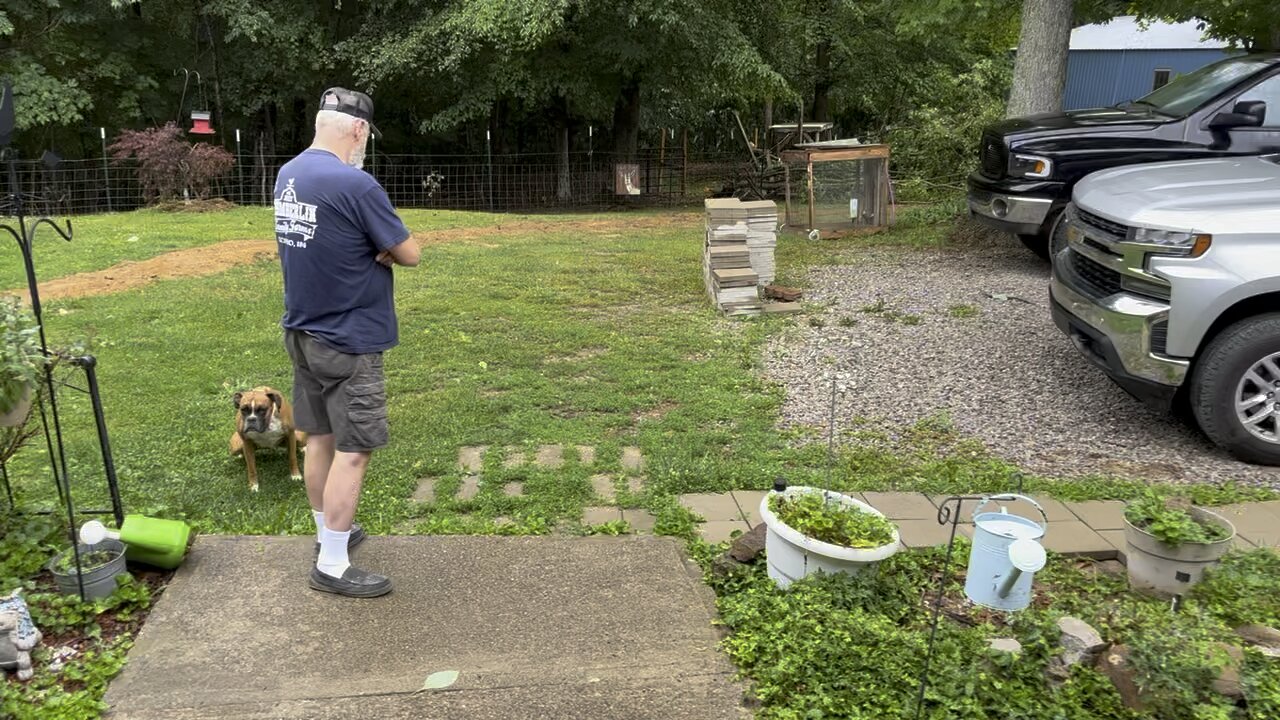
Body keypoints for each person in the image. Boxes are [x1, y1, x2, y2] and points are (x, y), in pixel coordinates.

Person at [273, 87, 419, 598]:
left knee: (320, 440)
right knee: (353, 451)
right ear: (357, 130)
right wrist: (381, 249)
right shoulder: (355, 184)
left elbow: (327, 241)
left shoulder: (289, 173)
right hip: (348, 340)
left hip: (303, 331)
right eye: (366, 135)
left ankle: (327, 536)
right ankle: (332, 564)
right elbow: (409, 252)